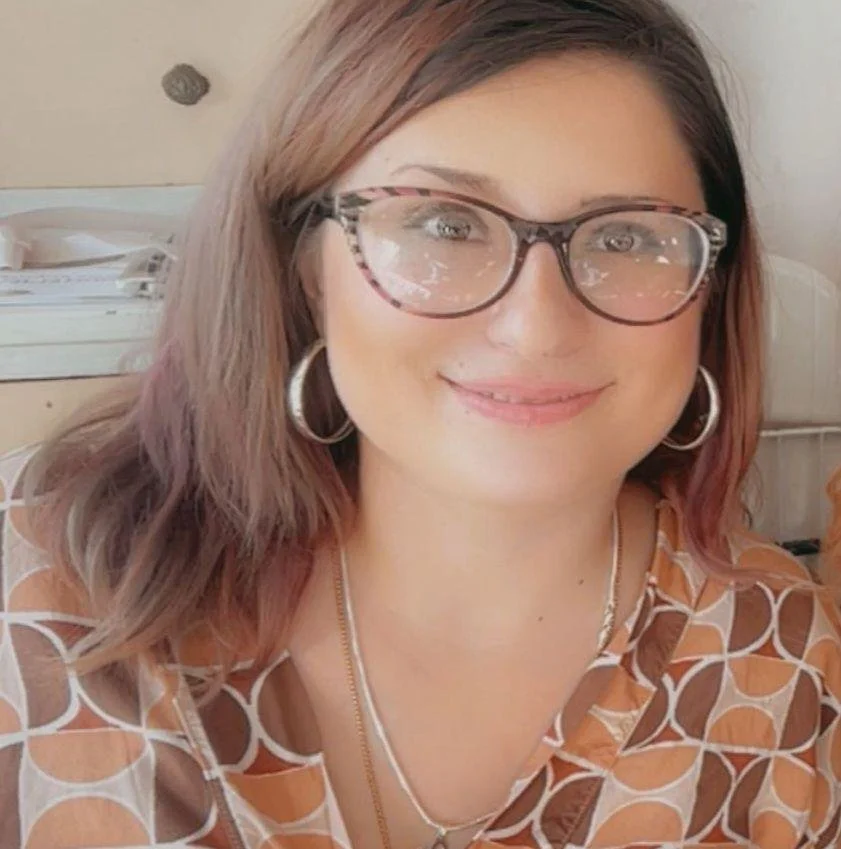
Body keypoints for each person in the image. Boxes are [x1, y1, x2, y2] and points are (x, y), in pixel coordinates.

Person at [1, 1, 840, 847]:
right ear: (303, 268)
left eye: (626, 236)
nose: (535, 325)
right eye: (443, 224)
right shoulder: (45, 578)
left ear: (710, 291)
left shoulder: (780, 657)